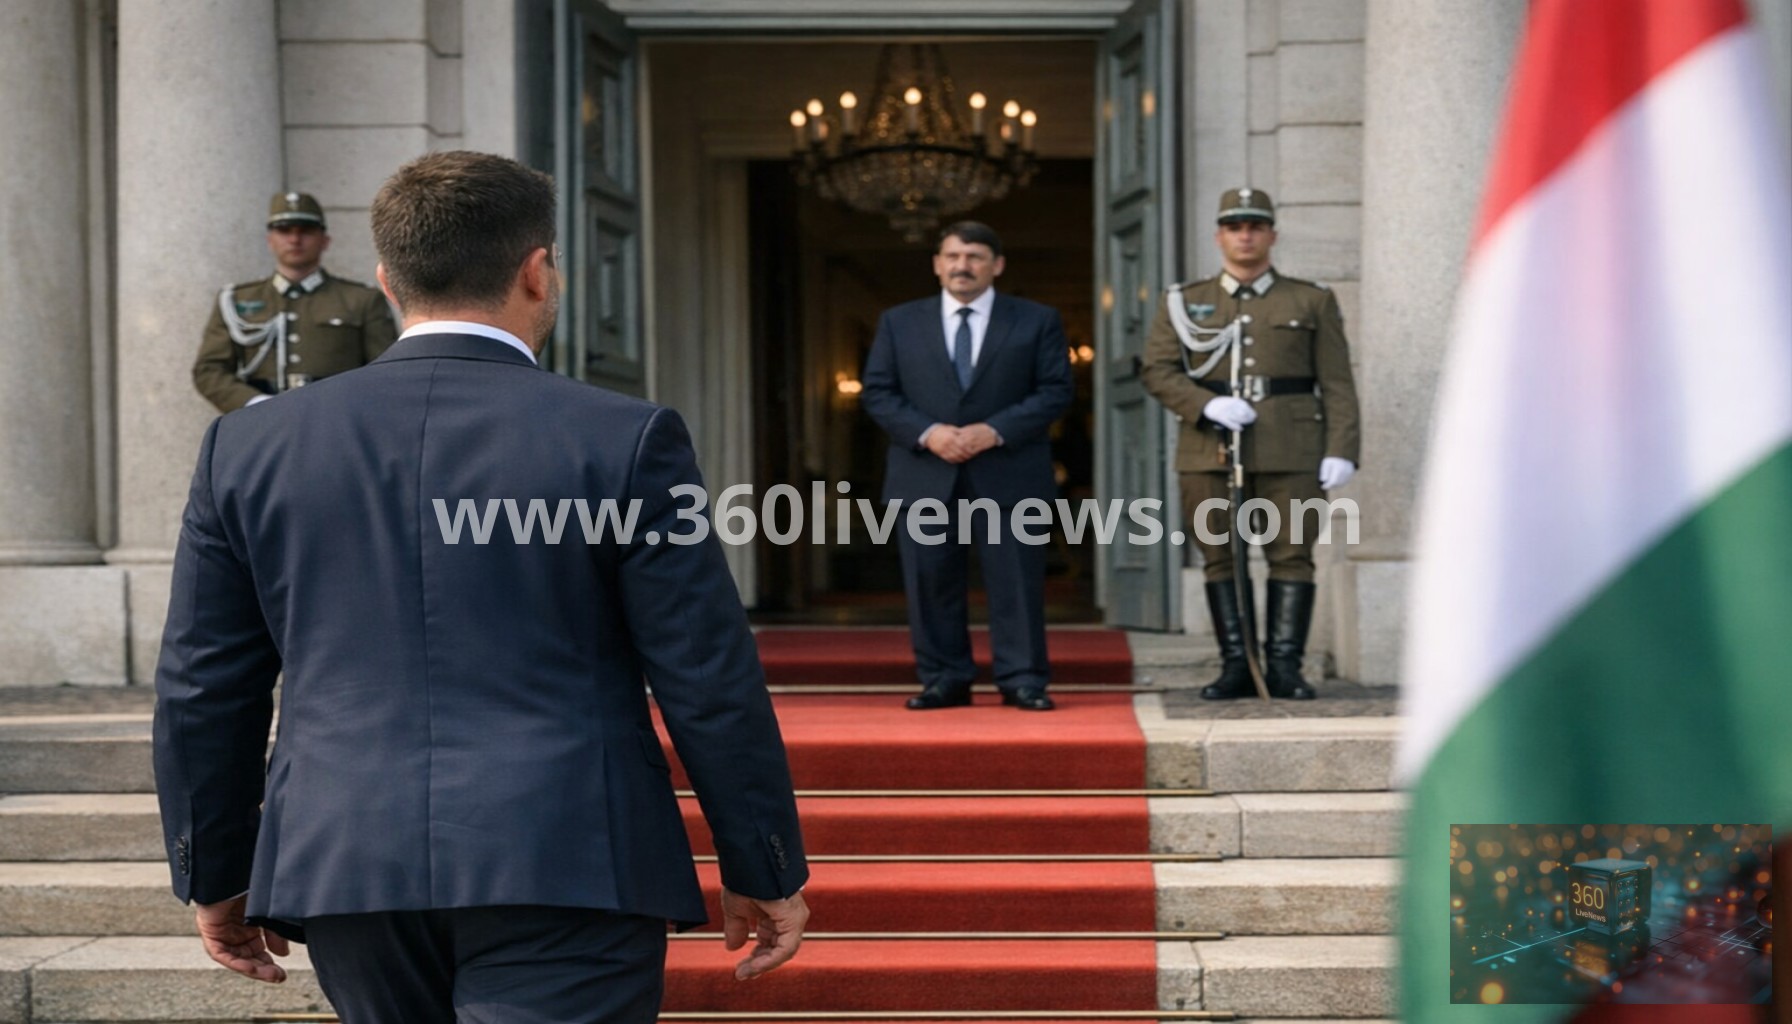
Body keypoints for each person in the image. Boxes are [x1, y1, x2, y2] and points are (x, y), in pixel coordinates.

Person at [153, 151, 809, 1022]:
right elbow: (705, 674)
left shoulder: (247, 446)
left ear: (387, 280)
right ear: (538, 272)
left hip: (346, 855)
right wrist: (761, 865)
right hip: (569, 852)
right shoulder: (627, 437)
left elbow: (203, 686)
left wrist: (216, 869)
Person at [1140, 188, 1361, 700]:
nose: (1245, 235)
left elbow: (1337, 381)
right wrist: (1205, 405)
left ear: (1272, 236)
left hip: (1293, 447)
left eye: (1255, 226)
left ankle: (1284, 668)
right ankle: (1237, 665)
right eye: (1235, 226)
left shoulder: (1311, 299)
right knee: (1219, 555)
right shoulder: (1183, 301)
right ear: (1219, 235)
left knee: (1292, 555)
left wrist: (1341, 447)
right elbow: (1157, 370)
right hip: (1208, 448)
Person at [861, 222, 1074, 712]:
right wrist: (929, 432)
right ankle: (943, 679)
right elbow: (878, 391)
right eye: (953, 256)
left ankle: (1023, 680)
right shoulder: (899, 322)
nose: (962, 265)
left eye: (975, 256)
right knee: (930, 581)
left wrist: (993, 430)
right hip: (924, 472)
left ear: (996, 265)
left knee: (1017, 582)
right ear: (937, 263)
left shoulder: (1036, 320)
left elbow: (1055, 390)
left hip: (1010, 471)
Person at [192, 191, 398, 413]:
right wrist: (254, 404)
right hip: (262, 421)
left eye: (306, 231)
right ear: (269, 240)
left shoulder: (361, 300)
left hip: (336, 419)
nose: (294, 239)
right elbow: (209, 370)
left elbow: (386, 371)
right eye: (284, 230)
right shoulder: (237, 299)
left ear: (325, 240)